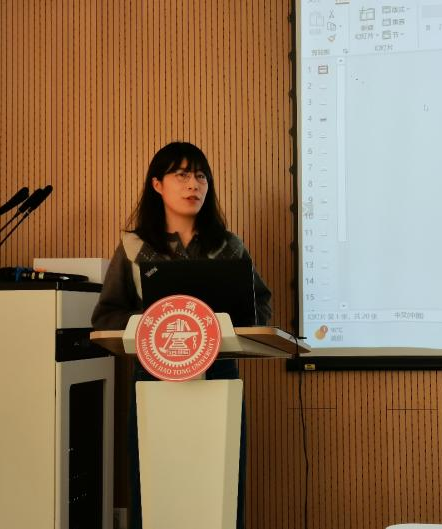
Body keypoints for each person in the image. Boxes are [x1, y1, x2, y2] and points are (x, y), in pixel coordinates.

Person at [92, 141, 271, 529]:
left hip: (219, 379)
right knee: (157, 492)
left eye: (201, 176)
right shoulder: (134, 247)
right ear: (157, 184)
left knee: (220, 492)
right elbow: (106, 316)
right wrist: (159, 321)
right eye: (182, 175)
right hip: (154, 380)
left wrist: (222, 323)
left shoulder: (229, 247)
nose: (194, 184)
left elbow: (260, 307)